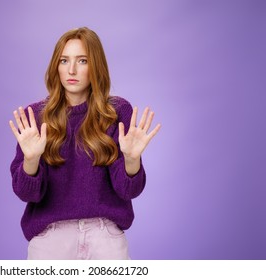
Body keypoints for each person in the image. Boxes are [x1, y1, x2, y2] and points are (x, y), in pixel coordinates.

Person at [9, 27, 161, 260]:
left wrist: (132, 161)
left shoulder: (117, 112)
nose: (71, 70)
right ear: (55, 66)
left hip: (105, 239)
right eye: (64, 60)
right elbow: (26, 193)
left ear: (95, 66)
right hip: (51, 241)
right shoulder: (35, 116)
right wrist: (31, 161)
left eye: (82, 60)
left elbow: (128, 189)